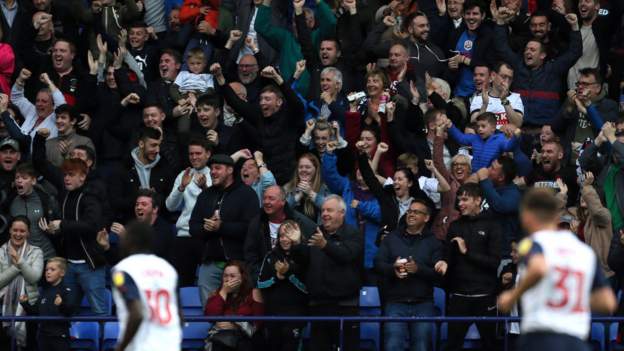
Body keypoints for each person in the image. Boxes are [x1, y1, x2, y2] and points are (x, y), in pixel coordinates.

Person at [498, 188, 617, 350]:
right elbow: (608, 302)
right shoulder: (585, 251)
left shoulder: (531, 243)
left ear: (526, 216)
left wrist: (512, 296)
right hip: (576, 341)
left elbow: (538, 267)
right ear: (555, 216)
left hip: (540, 337)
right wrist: (572, 296)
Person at [293, 195, 363, 351]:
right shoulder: (315, 233)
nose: (324, 213)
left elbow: (346, 255)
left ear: (342, 213)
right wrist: (296, 245)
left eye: (329, 210)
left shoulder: (353, 234)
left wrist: (325, 245)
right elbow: (303, 262)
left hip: (345, 306)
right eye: (323, 210)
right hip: (318, 305)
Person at [374, 199, 445, 351]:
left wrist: (418, 270)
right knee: (392, 346)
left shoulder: (434, 242)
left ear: (426, 218)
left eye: (416, 212)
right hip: (395, 302)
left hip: (423, 303)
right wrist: (392, 269)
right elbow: (378, 264)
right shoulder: (391, 238)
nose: (411, 214)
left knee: (422, 347)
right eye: (409, 211)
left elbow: (438, 274)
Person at [189, 154, 259, 305]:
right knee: (210, 307)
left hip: (239, 262)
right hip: (210, 263)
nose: (213, 172)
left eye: (217, 168)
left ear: (230, 170)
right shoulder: (205, 195)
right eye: (211, 169)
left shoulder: (247, 194)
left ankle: (233, 329)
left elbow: (251, 228)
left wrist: (222, 227)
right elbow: (193, 227)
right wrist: (206, 228)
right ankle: (215, 329)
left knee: (240, 308)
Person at [442, 183, 501, 351]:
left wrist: (466, 252)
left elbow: (494, 262)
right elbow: (448, 257)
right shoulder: (455, 226)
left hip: (485, 296)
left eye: (465, 199)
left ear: (478, 200)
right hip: (459, 296)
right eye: (459, 200)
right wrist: (443, 262)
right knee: (452, 345)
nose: (460, 204)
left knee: (491, 345)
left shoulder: (493, 225)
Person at [111, 221, 183, 351]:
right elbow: (179, 315)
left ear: (130, 240)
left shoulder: (122, 270)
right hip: (170, 345)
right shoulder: (168, 269)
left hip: (141, 345)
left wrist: (120, 347)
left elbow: (137, 313)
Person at [165, 138, 212, 286]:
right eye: (191, 154)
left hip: (207, 236)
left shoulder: (215, 174)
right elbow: (170, 206)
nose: (194, 157)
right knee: (182, 285)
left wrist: (205, 188)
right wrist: (181, 187)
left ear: (208, 154)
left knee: (208, 284)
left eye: (198, 153)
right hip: (184, 235)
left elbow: (216, 206)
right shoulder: (183, 175)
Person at [244, 185, 316, 281]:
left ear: (283, 201)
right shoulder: (257, 223)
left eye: (271, 198)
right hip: (266, 283)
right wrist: (258, 282)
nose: (266, 202)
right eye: (264, 198)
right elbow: (251, 256)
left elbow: (310, 254)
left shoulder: (300, 222)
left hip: (295, 284)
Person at [257, 220, 308, 351]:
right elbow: (260, 283)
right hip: (272, 314)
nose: (284, 239)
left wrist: (288, 274)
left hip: (296, 315)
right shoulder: (270, 256)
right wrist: (277, 278)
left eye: (288, 235)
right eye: (281, 236)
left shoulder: (304, 255)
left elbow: (308, 288)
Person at [0, 216, 44, 349]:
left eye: (22, 231)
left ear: (28, 233)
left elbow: (34, 277)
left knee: (28, 346)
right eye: (15, 230)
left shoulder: (36, 252)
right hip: (2, 307)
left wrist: (18, 260)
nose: (18, 234)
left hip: (28, 307)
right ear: (10, 231)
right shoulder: (1, 251)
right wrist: (18, 266)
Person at [204, 260, 264, 351]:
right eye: (225, 276)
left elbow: (258, 323)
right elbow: (211, 317)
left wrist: (236, 324)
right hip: (221, 338)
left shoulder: (254, 293)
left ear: (242, 278)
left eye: (232, 276)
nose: (228, 279)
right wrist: (224, 292)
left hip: (245, 339)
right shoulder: (217, 293)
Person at [20, 257, 75, 351]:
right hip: (43, 336)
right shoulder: (44, 291)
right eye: (46, 269)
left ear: (62, 273)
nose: (48, 272)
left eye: (52, 269)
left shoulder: (67, 290)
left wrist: (61, 304)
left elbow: (70, 311)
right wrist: (25, 303)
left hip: (59, 337)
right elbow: (36, 311)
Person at [444, 112, 518, 170]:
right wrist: (450, 125)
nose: (479, 129)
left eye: (483, 126)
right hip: (474, 173)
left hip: (490, 176)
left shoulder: (500, 139)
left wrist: (515, 137)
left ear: (493, 128)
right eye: (478, 126)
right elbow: (461, 138)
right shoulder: (475, 138)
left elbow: (509, 147)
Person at [283, 153, 330, 222]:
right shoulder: (288, 187)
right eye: (300, 167)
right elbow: (280, 210)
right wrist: (297, 197)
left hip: (317, 231)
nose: (303, 170)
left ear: (316, 169)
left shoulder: (323, 188)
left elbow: (330, 208)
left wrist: (311, 193)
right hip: (292, 231)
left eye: (308, 167)